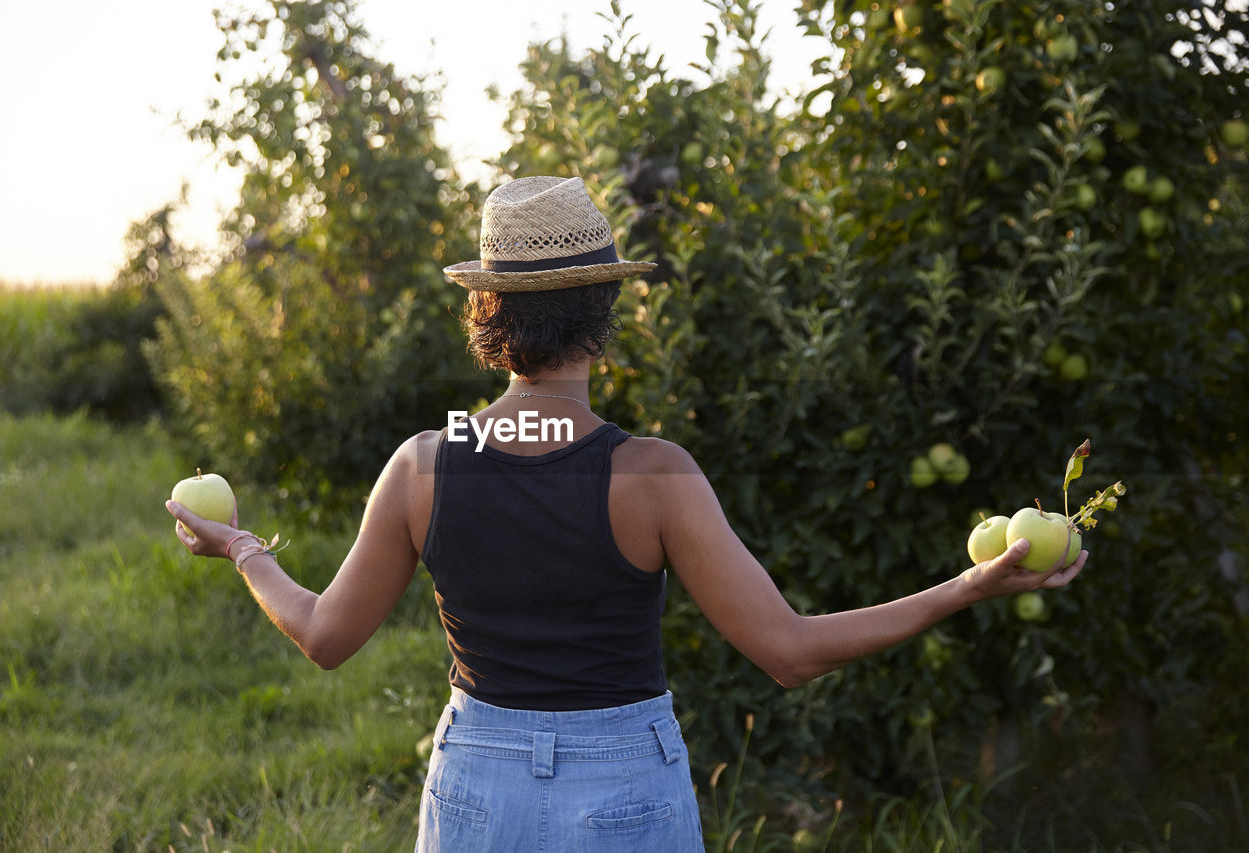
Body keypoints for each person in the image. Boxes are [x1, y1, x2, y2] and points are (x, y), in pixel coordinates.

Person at [167, 175, 1088, 851]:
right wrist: (973, 583)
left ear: (487, 311)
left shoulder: (424, 463)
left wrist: (246, 548)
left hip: (478, 785)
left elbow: (325, 634)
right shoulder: (653, 474)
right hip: (625, 787)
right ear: (604, 308)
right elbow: (790, 651)